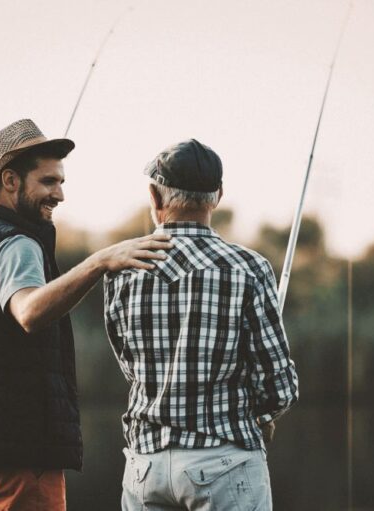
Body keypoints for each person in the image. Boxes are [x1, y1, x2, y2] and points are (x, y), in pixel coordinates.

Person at [0, 118, 173, 511]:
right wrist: (99, 262)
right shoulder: (15, 242)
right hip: (12, 448)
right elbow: (28, 311)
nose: (60, 194)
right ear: (10, 180)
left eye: (61, 182)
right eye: (48, 181)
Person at [103, 139, 299, 510]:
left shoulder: (121, 270)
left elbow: (130, 366)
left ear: (154, 197)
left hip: (146, 465)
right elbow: (277, 382)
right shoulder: (249, 267)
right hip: (225, 460)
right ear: (218, 196)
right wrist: (263, 414)